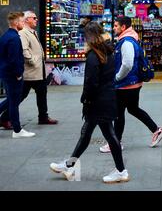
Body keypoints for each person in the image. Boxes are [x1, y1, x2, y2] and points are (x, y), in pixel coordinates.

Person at [50, 22, 129, 183]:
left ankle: (121, 170)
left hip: (97, 102)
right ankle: (69, 166)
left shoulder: (94, 55)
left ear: (89, 37)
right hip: (106, 99)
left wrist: (85, 99)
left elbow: (91, 83)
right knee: (87, 133)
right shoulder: (108, 51)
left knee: (109, 136)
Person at [99, 16, 162, 153]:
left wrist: (117, 78)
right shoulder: (130, 39)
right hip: (132, 83)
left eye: (116, 25)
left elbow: (128, 64)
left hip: (126, 84)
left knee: (118, 113)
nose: (114, 28)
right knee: (133, 109)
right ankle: (156, 130)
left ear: (123, 27)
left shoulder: (127, 42)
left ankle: (116, 142)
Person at [0, 11, 58, 128]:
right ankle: (5, 118)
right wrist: (33, 61)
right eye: (34, 18)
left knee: (41, 93)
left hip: (38, 72)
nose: (36, 20)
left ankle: (43, 116)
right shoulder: (22, 34)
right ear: (26, 20)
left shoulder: (31, 32)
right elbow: (24, 51)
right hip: (29, 72)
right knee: (18, 96)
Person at [0, 12, 35, 138]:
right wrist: (18, 74)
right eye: (21, 21)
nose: (23, 23)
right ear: (16, 23)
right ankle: (17, 130)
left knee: (10, 100)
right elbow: (14, 59)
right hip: (12, 75)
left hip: (5, 73)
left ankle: (17, 129)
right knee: (14, 103)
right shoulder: (14, 38)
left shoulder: (5, 36)